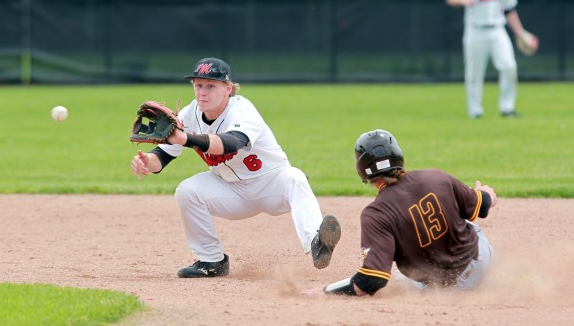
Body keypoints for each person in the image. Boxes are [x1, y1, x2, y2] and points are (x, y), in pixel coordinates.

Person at [130, 57, 341, 278]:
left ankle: (317, 243)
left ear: (228, 88)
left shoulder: (242, 109)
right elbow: (163, 155)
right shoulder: (189, 114)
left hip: (271, 183)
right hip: (230, 191)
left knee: (295, 178)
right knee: (187, 191)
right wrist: (147, 162)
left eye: (210, 86)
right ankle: (212, 261)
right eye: (198, 85)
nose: (202, 92)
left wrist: (185, 138)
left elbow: (231, 142)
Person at [304, 129, 498, 296]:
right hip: (482, 261)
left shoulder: (375, 214)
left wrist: (325, 291)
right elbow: (481, 206)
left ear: (362, 170)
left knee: (398, 276)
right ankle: (491, 279)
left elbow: (371, 280)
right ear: (398, 156)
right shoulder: (436, 177)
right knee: (465, 220)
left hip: (447, 289)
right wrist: (485, 193)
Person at [446, 0, 528, 119]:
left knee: (509, 66)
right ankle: (475, 111)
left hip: (498, 28)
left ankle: (507, 107)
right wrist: (464, 1)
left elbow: (509, 10)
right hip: (475, 30)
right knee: (475, 72)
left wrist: (521, 32)